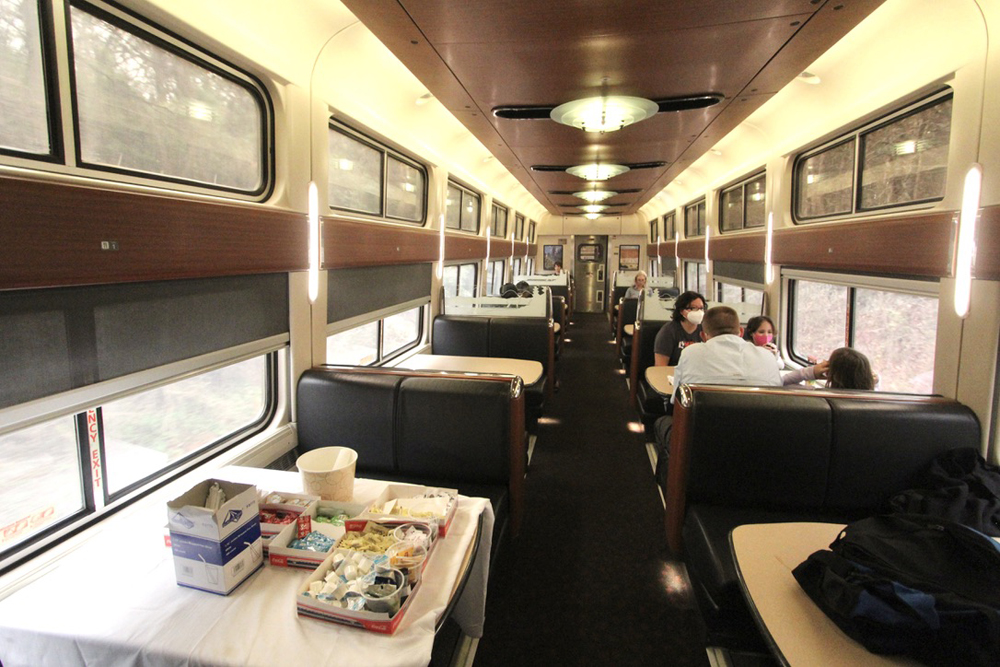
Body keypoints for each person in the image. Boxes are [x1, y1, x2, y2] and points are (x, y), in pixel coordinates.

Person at [654, 306, 783, 487]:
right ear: (740, 332)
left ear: (704, 335)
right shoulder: (768, 357)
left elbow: (678, 402)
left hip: (704, 441)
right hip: (760, 442)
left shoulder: (691, 353)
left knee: (661, 423)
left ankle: (672, 488)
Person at [653, 290, 706, 367]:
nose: (699, 312)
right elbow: (660, 366)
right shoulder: (668, 331)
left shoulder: (705, 329)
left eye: (701, 308)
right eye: (694, 308)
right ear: (682, 311)